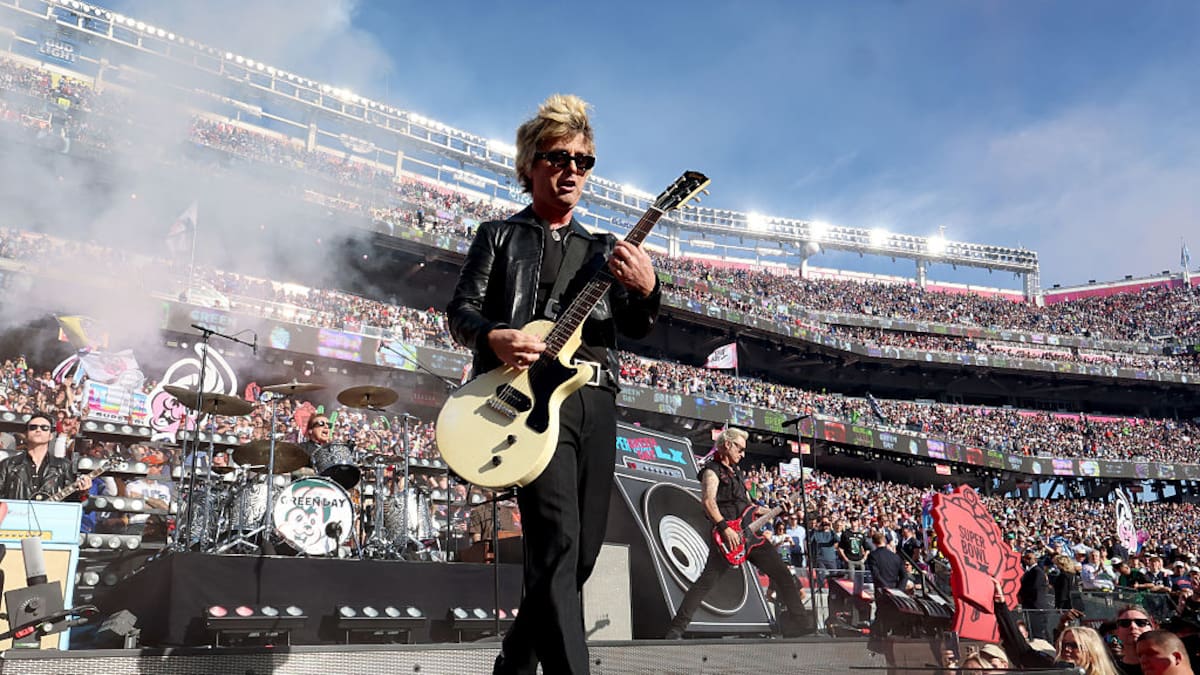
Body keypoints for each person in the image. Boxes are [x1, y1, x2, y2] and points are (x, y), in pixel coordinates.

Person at [445, 93, 660, 675]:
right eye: (559, 156)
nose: (572, 170)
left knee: (580, 556)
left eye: (583, 161)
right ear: (530, 165)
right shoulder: (497, 235)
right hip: (530, 402)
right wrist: (493, 337)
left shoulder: (604, 251)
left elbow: (635, 327)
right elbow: (459, 311)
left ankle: (513, 664)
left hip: (595, 399)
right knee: (559, 544)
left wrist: (646, 288)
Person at [663, 428, 808, 640]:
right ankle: (676, 630)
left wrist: (777, 510)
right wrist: (725, 528)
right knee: (706, 582)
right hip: (727, 537)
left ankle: (801, 624)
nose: (743, 454)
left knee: (783, 574)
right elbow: (708, 503)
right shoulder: (711, 471)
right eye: (740, 449)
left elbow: (751, 508)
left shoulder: (737, 473)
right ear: (727, 445)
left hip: (750, 537)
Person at [0, 411, 90, 499]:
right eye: (33, 427)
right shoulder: (8, 464)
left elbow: (71, 502)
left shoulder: (63, 466)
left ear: (51, 435)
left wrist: (82, 492)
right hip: (15, 513)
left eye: (44, 428)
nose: (38, 430)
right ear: (26, 434)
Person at [865, 531, 904, 645]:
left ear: (874, 542)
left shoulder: (873, 555)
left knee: (882, 612)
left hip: (882, 589)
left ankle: (879, 636)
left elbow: (876, 574)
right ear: (885, 541)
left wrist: (885, 586)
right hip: (894, 589)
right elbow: (904, 576)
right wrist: (899, 589)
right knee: (891, 612)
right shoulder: (895, 557)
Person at [1019, 550, 1055, 640]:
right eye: (1025, 558)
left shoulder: (1037, 572)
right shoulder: (1029, 572)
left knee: (1037, 631)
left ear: (1035, 560)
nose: (1026, 560)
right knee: (1031, 628)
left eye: (1029, 558)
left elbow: (1035, 589)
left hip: (1036, 605)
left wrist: (1023, 596)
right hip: (1029, 605)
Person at [1114, 605, 1158, 674]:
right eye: (1125, 623)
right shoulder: (1110, 669)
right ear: (1117, 631)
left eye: (1141, 622)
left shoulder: (1164, 665)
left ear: (1152, 628)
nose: (1133, 626)